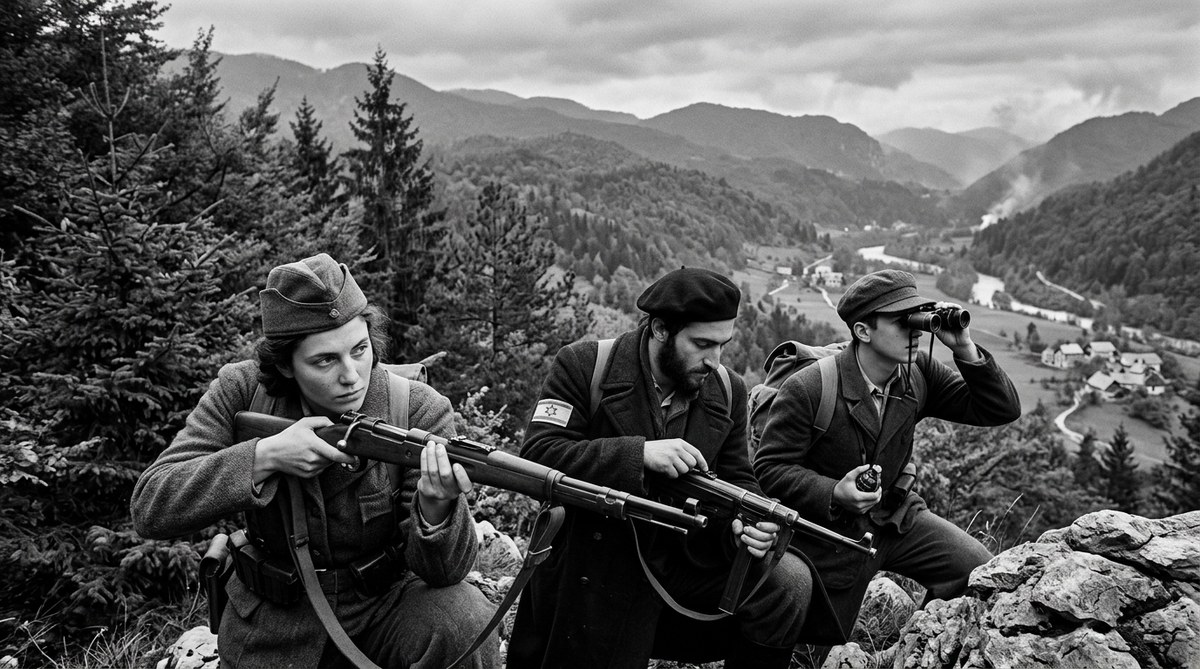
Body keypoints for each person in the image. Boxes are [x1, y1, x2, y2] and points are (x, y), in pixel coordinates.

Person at [131, 253, 497, 669]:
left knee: (464, 619)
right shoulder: (242, 390)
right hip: (270, 624)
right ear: (285, 364)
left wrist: (437, 509)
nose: (352, 376)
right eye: (325, 360)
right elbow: (151, 504)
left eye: (360, 350)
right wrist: (263, 457)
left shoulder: (416, 408)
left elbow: (445, 572)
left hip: (383, 611)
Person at [506, 267, 815, 669]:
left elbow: (739, 477)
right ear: (660, 329)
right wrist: (640, 454)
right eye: (702, 343)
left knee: (788, 583)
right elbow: (538, 456)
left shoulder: (728, 388)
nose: (714, 360)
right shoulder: (585, 366)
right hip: (595, 565)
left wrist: (751, 521)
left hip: (681, 562)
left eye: (723, 344)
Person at [753, 269, 1021, 646]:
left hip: (896, 517)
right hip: (829, 531)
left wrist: (963, 346)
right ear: (863, 331)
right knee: (817, 641)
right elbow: (769, 469)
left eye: (919, 319)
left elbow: (1000, 409)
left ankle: (924, 648)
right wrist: (834, 492)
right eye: (902, 321)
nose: (916, 330)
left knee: (974, 569)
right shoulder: (810, 387)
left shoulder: (916, 373)